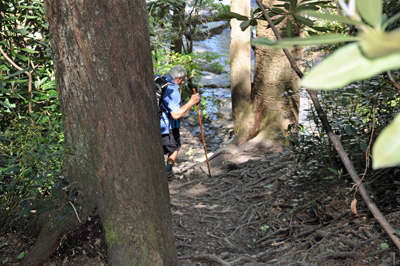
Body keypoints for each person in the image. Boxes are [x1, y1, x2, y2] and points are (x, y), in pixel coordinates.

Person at [159, 65, 200, 181]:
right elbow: (176, 114)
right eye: (182, 79)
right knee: (175, 147)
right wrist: (192, 102)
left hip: (154, 122)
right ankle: (167, 173)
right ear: (179, 78)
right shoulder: (172, 90)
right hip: (167, 126)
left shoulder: (158, 79)